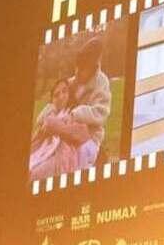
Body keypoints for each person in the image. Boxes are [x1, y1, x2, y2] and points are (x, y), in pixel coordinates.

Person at [30, 78, 91, 181]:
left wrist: (55, 126)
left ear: (70, 94)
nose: (61, 96)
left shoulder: (74, 113)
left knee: (34, 175)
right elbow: (34, 144)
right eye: (56, 95)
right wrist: (46, 124)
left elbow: (83, 135)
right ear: (52, 101)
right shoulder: (49, 117)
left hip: (61, 157)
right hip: (43, 154)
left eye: (64, 91)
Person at [66, 35, 112, 169]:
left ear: (92, 67)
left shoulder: (101, 82)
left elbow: (100, 113)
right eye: (77, 68)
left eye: (82, 69)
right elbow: (56, 102)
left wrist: (76, 114)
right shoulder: (72, 82)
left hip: (90, 135)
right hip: (69, 132)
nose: (78, 72)